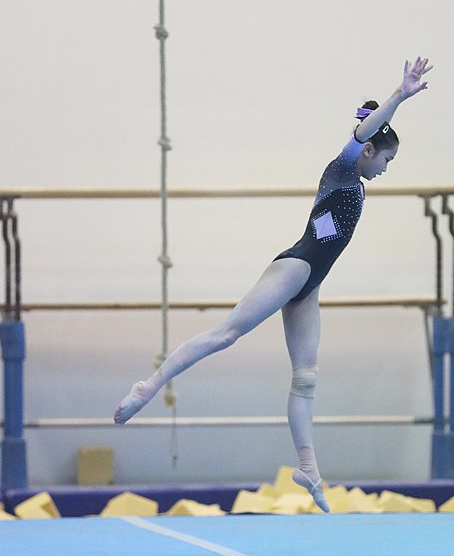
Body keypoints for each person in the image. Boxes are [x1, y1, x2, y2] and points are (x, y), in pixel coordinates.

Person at [114, 57, 433, 513]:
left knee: (306, 379)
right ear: (367, 152)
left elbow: (365, 144)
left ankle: (308, 469)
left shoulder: (358, 186)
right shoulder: (341, 171)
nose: (387, 166)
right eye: (387, 158)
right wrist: (399, 95)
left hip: (310, 284)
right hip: (295, 267)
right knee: (226, 334)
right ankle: (147, 388)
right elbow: (362, 135)